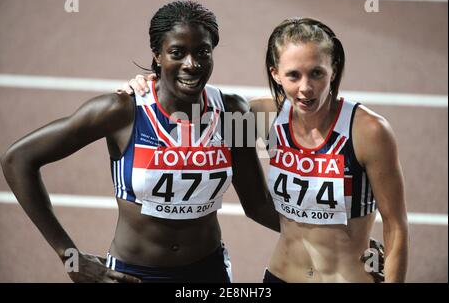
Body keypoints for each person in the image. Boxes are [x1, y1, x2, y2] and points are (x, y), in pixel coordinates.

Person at [0, 0, 279, 283]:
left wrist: (321, 232)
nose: (192, 64)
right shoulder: (121, 111)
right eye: (177, 52)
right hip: (131, 275)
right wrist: (69, 256)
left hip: (207, 273)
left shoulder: (232, 113)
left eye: (202, 52)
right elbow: (18, 159)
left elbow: (257, 204)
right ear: (157, 55)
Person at [124, 17, 407, 283]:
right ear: (276, 74)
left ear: (334, 69)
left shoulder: (368, 132)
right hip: (278, 277)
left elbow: (396, 226)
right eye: (293, 75)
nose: (306, 88)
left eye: (317, 73)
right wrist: (147, 86)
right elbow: (192, 116)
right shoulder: (260, 116)